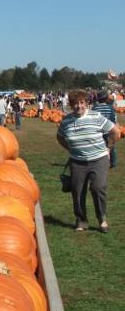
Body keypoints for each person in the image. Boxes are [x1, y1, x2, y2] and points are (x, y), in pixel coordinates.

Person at [57, 89, 118, 232]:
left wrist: (108, 148)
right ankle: (81, 220)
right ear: (71, 105)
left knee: (98, 188)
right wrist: (70, 149)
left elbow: (115, 131)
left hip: (99, 160)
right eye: (76, 103)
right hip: (77, 162)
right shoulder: (66, 121)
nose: (79, 106)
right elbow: (59, 137)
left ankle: (102, 219)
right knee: (77, 191)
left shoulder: (96, 116)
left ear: (87, 103)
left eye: (82, 102)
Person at [92, 90, 118, 169]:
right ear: (106, 98)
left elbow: (92, 119)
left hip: (98, 131)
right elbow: (113, 119)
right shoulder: (110, 108)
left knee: (99, 147)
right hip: (108, 131)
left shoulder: (95, 108)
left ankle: (99, 162)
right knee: (111, 146)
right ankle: (113, 162)